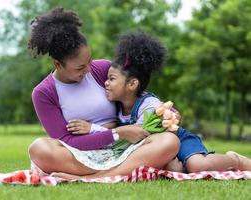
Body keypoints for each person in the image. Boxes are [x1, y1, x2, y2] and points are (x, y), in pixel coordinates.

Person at [66, 31, 251, 174]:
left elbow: (151, 126)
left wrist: (92, 129)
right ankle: (177, 164)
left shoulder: (148, 104)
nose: (106, 83)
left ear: (132, 84)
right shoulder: (117, 107)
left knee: (198, 165)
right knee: (173, 170)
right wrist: (90, 129)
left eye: (112, 79)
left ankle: (235, 160)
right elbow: (119, 135)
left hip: (179, 140)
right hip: (159, 150)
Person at [28, 7, 179, 177]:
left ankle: (95, 178)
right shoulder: (44, 93)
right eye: (80, 67)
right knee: (39, 148)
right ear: (58, 64)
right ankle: (122, 171)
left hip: (127, 148)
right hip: (83, 155)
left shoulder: (100, 69)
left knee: (169, 141)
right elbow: (66, 140)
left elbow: (135, 92)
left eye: (89, 61)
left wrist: (165, 112)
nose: (87, 70)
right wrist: (117, 133)